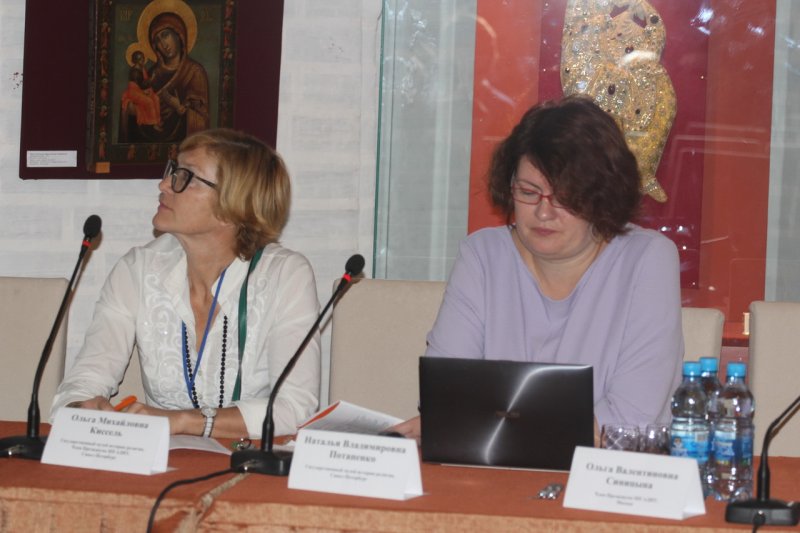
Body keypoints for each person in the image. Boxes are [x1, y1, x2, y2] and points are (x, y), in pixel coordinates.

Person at [393, 95, 683, 442]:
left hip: (604, 470)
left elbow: (630, 420)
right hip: (490, 468)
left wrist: (484, 426)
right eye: (529, 192)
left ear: (602, 196)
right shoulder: (483, 255)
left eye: (564, 197)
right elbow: (446, 395)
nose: (544, 213)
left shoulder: (647, 258)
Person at [52, 129, 321, 439]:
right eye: (172, 171)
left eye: (186, 176)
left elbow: (294, 409)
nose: (164, 184)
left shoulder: (285, 276)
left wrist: (182, 421)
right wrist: (81, 408)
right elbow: (85, 380)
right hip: (160, 459)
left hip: (249, 459)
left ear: (233, 204)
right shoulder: (138, 269)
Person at [120, 10, 209, 143]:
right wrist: (132, 110)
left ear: (178, 34)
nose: (163, 44)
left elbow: (201, 117)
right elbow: (132, 105)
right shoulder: (151, 74)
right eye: (158, 40)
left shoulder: (194, 72)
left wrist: (179, 108)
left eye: (166, 35)